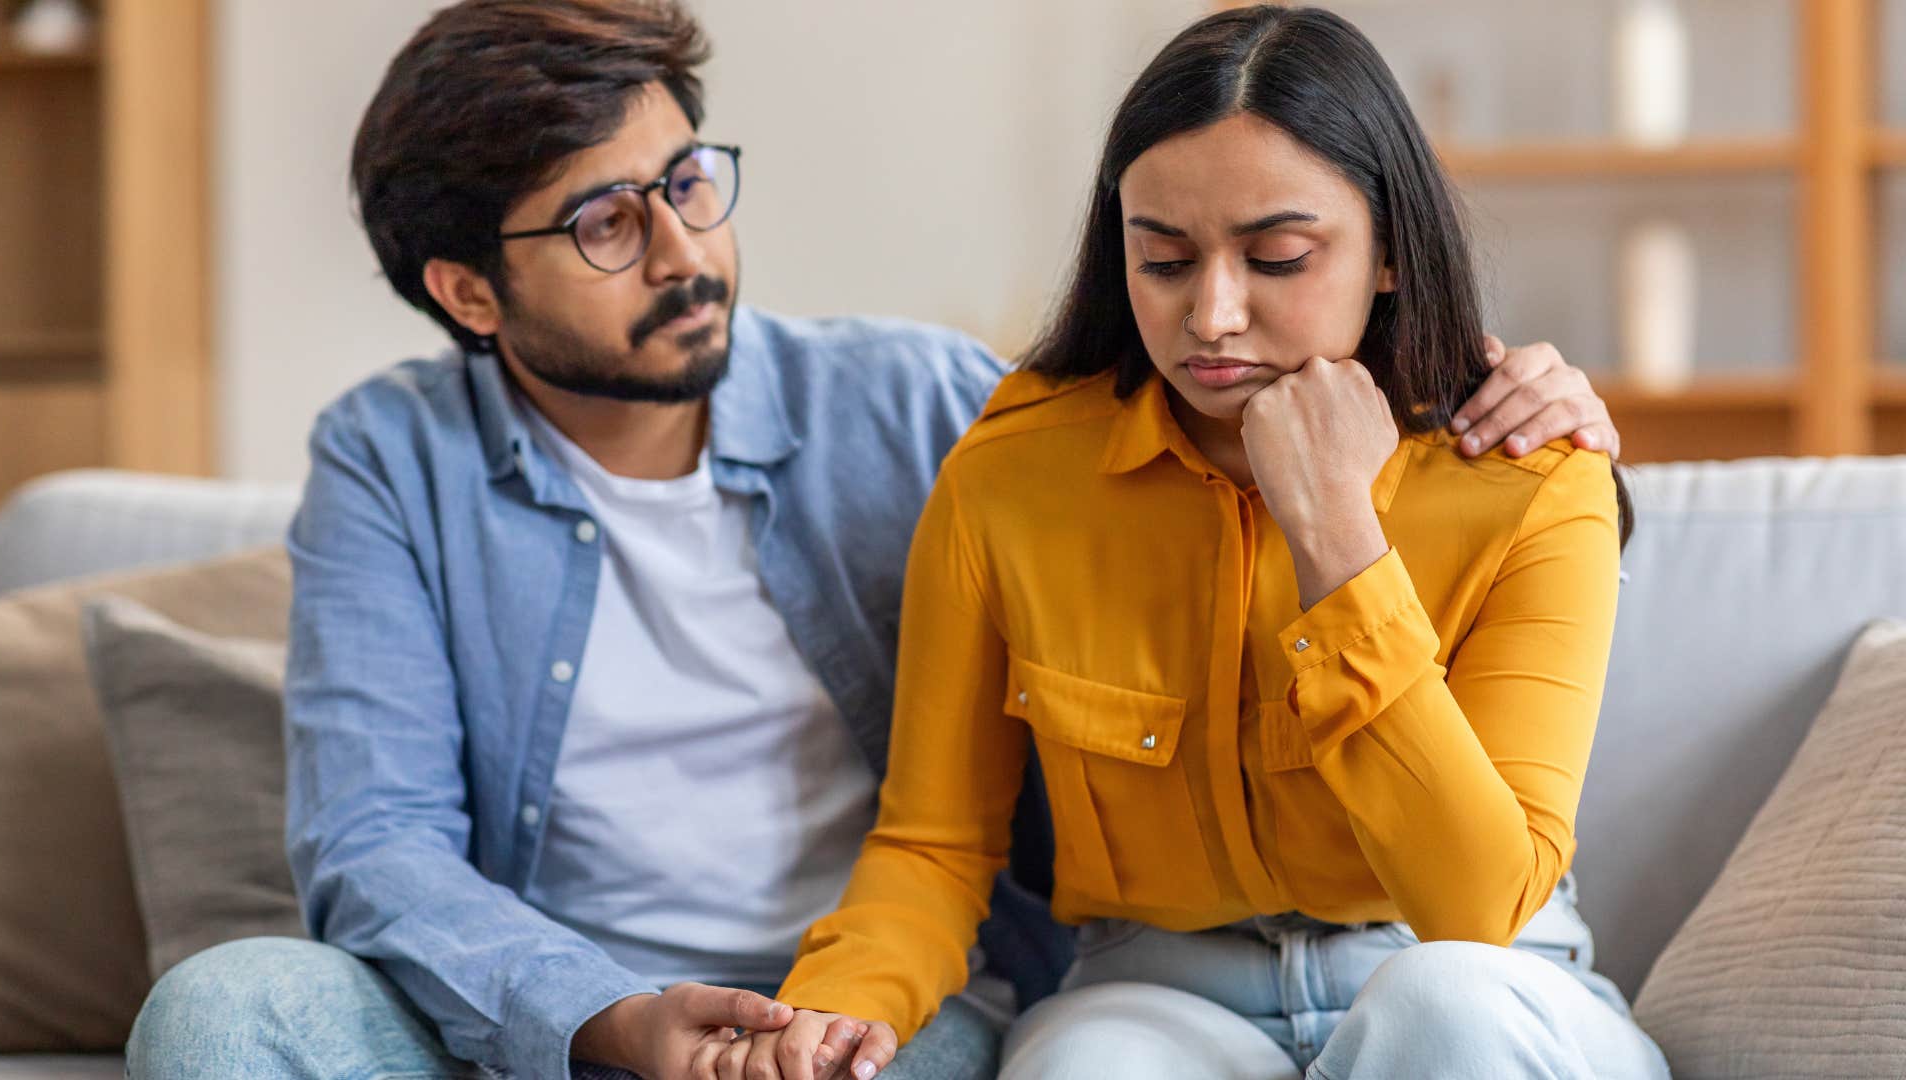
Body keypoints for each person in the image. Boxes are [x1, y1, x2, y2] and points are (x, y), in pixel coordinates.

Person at [121, 2, 1629, 1079]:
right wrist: (599, 1020)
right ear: (467, 293)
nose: (685, 249)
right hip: (559, 1008)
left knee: (1437, 1012)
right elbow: (375, 845)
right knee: (222, 1009)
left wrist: (1384, 504)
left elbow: (1480, 916)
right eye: (604, 226)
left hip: (891, 1009)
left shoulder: (922, 405)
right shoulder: (393, 461)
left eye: (689, 182)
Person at [749, 6, 1670, 1079]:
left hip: (1477, 974)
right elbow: (935, 845)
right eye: (1165, 261)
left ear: (1388, 252)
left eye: (1278, 257)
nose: (1213, 314)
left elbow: (1478, 907)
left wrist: (1338, 538)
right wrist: (831, 1012)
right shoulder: (1012, 477)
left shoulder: (1533, 479)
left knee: (1446, 1009)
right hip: (1159, 989)